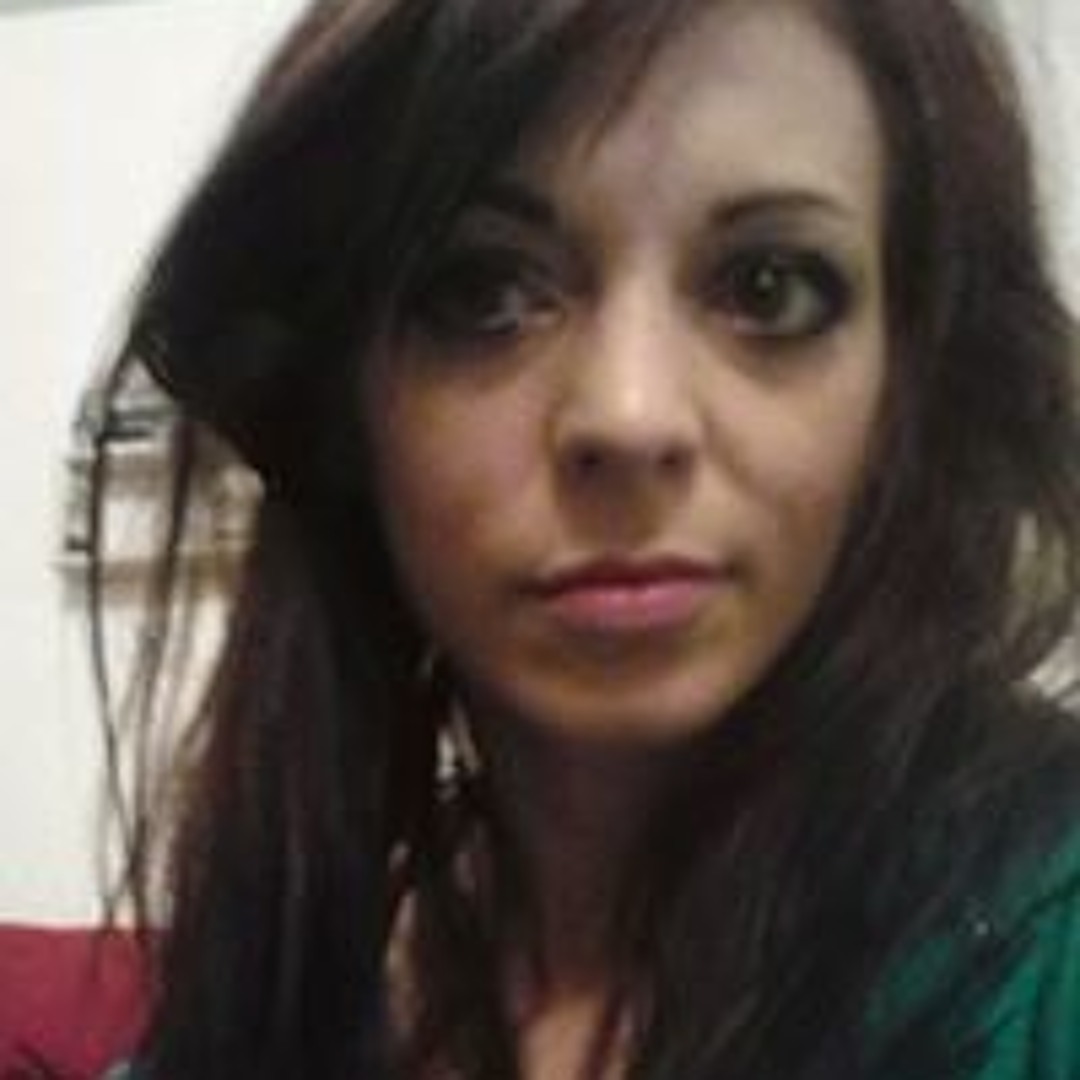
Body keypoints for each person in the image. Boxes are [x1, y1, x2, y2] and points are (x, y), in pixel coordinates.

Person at [88, 0, 1080, 1078]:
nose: (630, 415)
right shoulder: (282, 985)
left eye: (770, 287)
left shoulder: (1042, 940)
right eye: (481, 290)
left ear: (902, 385)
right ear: (343, 408)